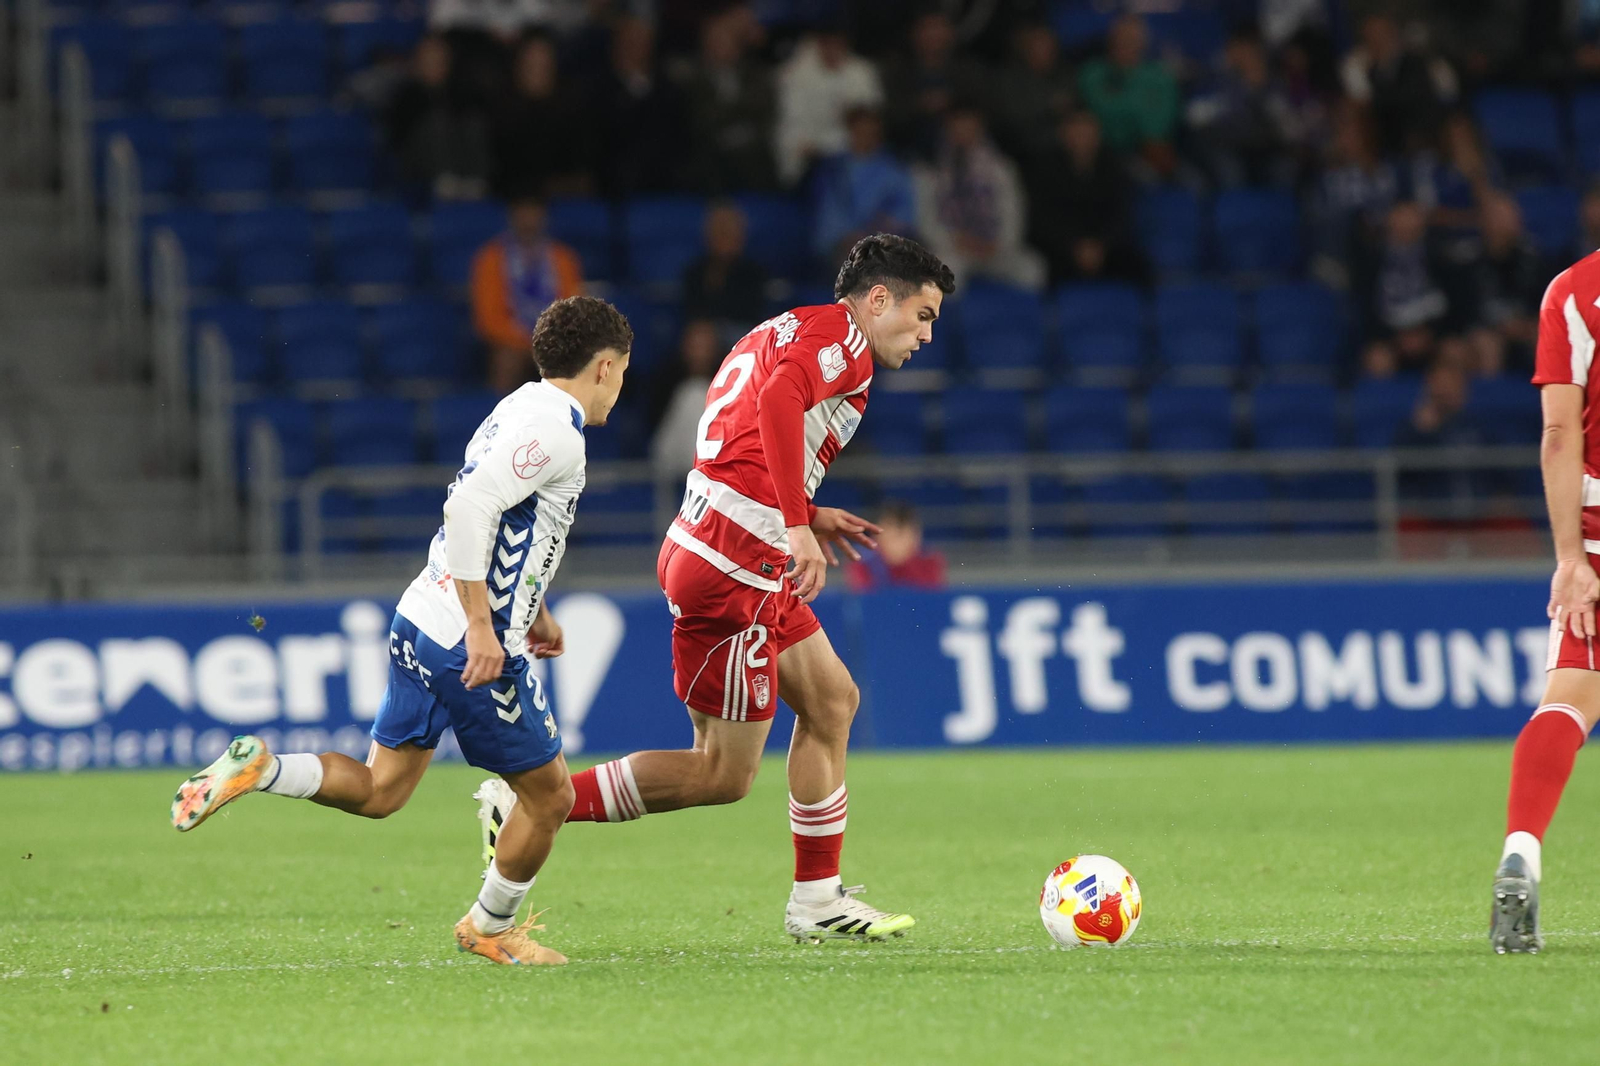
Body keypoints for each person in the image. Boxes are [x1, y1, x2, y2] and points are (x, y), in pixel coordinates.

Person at [478, 234, 956, 942]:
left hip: (726, 543)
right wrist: (794, 525)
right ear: (878, 299)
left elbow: (742, 423)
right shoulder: (842, 344)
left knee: (832, 701)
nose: (925, 333)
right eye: (922, 314)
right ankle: (532, 803)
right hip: (736, 563)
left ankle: (817, 900)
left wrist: (802, 512)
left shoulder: (791, 327)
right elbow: (778, 402)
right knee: (721, 774)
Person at [170, 296, 635, 967]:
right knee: (551, 797)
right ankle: (490, 926)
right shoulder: (558, 430)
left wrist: (533, 610)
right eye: (620, 373)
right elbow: (472, 505)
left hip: (421, 616)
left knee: (381, 790)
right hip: (465, 642)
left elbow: (514, 527)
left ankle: (262, 767)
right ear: (604, 366)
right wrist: (485, 625)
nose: (620, 388)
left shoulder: (519, 407)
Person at [1489, 246, 1600, 953]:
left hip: (1595, 529)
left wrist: (1569, 560)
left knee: (1570, 698)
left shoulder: (1572, 292)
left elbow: (1560, 434)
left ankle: (1523, 847)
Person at [914, 102, 1045, 291]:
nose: (964, 130)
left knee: (1033, 269)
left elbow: (1014, 213)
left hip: (995, 248)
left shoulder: (1001, 168)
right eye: (958, 124)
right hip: (954, 248)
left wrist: (997, 244)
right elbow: (926, 220)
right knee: (938, 276)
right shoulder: (932, 168)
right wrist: (955, 240)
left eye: (969, 124)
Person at [471, 196, 584, 393]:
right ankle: (500, 419)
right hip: (511, 341)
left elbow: (573, 309)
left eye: (534, 214)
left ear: (544, 217)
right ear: (512, 217)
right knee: (507, 361)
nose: (528, 221)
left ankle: (568, 419)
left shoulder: (563, 258)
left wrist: (551, 340)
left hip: (554, 339)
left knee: (574, 363)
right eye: (523, 214)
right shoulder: (491, 258)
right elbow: (487, 318)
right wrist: (527, 341)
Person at [774, 26, 883, 186]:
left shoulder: (862, 72)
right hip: (809, 160)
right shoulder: (795, 74)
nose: (833, 49)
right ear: (819, 44)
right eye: (828, 44)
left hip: (851, 157)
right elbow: (791, 127)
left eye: (838, 44)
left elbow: (868, 126)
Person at [1078, 15, 1179, 179]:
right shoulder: (1092, 74)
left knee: (1192, 183)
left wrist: (1124, 112)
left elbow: (1163, 120)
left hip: (1153, 150)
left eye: (1132, 39)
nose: (1125, 44)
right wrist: (1138, 115)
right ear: (1111, 40)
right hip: (1105, 152)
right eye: (1121, 38)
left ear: (1143, 43)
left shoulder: (1160, 76)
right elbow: (1099, 115)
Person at [812, 107, 915, 264]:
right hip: (842, 246)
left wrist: (875, 234)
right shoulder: (833, 169)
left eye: (871, 133)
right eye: (860, 132)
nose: (865, 138)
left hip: (884, 244)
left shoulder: (894, 169)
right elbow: (828, 216)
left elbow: (903, 212)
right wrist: (849, 238)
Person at [681, 201, 770, 326]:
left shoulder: (754, 272)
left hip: (745, 333)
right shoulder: (695, 271)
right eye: (718, 231)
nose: (723, 238)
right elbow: (693, 314)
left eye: (728, 231)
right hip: (704, 336)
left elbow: (750, 314)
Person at [846, 500, 946, 591]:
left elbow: (931, 600)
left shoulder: (929, 560)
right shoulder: (861, 561)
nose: (898, 544)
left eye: (903, 536)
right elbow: (863, 601)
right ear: (876, 536)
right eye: (892, 536)